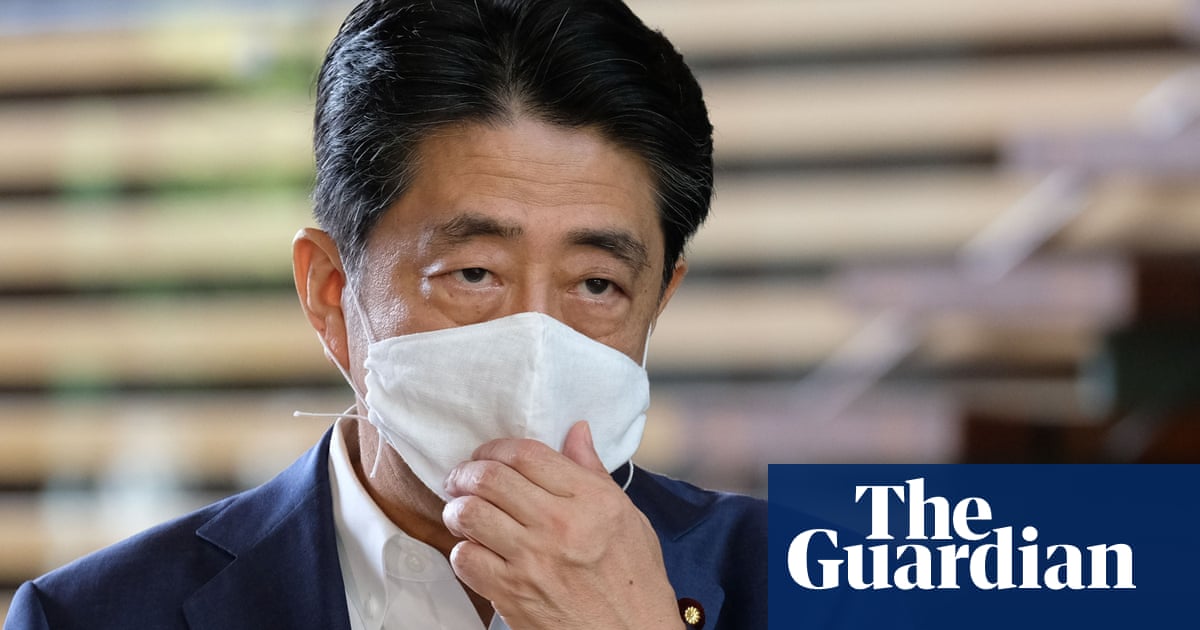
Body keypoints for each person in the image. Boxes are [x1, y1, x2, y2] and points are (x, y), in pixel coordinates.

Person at [4, 1, 765, 628]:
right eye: (474, 273)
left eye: (596, 285)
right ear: (330, 292)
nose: (536, 340)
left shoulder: (802, 576)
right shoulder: (90, 616)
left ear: (658, 299)